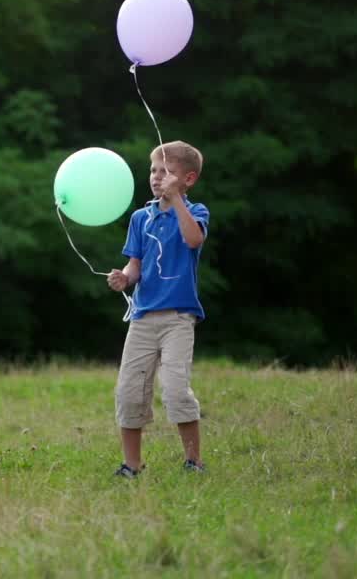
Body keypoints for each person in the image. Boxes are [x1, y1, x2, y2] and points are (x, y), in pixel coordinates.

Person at [107, 141, 209, 477]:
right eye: (153, 170)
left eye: (166, 172)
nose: (156, 177)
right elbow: (135, 265)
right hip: (142, 318)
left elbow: (193, 240)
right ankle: (131, 465)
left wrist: (176, 200)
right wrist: (124, 277)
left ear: (188, 179)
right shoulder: (141, 218)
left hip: (178, 316)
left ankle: (194, 462)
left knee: (176, 387)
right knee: (129, 391)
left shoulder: (196, 212)